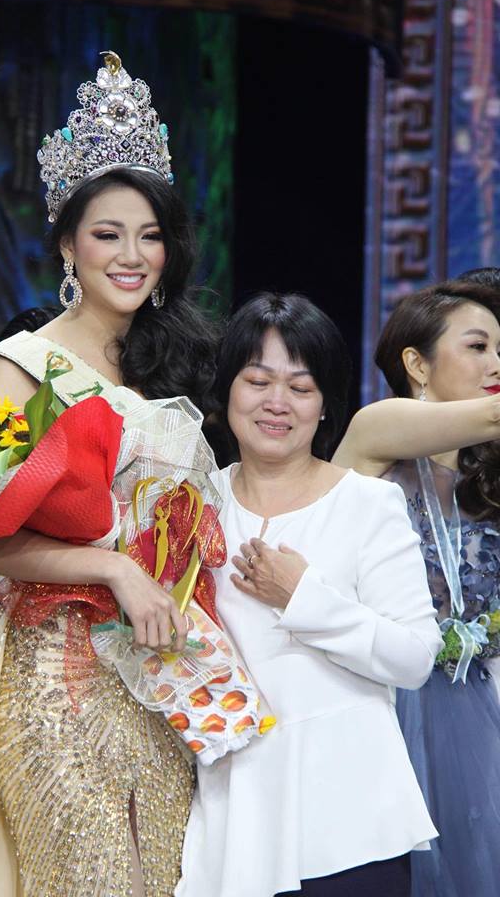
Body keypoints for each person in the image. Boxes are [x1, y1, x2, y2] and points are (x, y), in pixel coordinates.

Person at [0, 52, 220, 897]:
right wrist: (114, 568)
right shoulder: (22, 365)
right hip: (62, 677)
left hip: (171, 680)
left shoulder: (172, 362)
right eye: (107, 234)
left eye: (150, 235)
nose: (132, 255)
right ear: (67, 243)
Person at [177, 293, 442, 897]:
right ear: (227, 391)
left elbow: (414, 657)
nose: (277, 403)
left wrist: (302, 597)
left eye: (300, 387)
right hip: (231, 820)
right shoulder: (191, 505)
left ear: (325, 406)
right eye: (257, 381)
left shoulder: (367, 503)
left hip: (348, 821)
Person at [334, 280, 500, 897]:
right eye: (478, 347)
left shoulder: (485, 480)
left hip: (472, 707)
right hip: (383, 698)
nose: (495, 364)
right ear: (417, 364)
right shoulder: (376, 430)